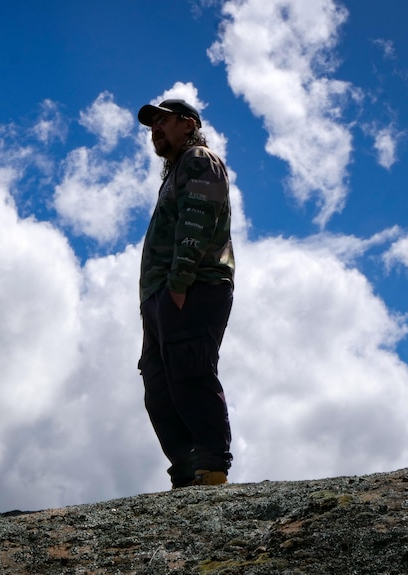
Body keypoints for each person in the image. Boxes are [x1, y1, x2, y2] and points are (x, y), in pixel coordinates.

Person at [136, 98, 235, 488]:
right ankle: (186, 472)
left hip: (195, 287)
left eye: (164, 121)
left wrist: (179, 284)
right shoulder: (176, 170)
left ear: (188, 123)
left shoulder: (198, 158)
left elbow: (198, 217)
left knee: (190, 374)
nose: (156, 129)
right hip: (162, 296)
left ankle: (211, 467)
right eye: (152, 125)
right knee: (160, 386)